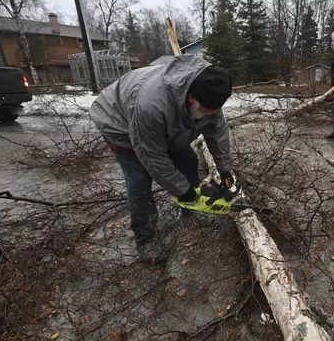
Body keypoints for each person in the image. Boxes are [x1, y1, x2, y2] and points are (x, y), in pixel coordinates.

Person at [89, 55, 236, 260]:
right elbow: (153, 156)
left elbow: (217, 133)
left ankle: (191, 209)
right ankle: (145, 238)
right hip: (118, 122)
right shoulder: (150, 106)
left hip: (164, 122)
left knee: (188, 161)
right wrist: (181, 190)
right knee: (140, 179)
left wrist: (225, 170)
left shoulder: (208, 92)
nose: (209, 114)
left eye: (213, 111)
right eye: (204, 110)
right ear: (191, 98)